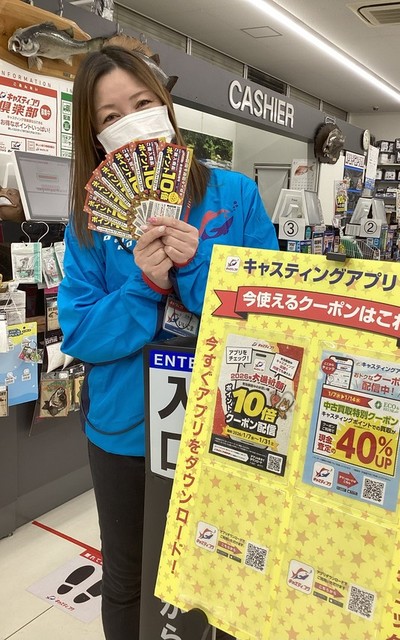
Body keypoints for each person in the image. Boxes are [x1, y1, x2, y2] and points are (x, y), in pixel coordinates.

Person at [57, 45, 279, 640]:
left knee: (217, 581)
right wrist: (145, 285)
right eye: (110, 117)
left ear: (166, 105)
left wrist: (195, 266)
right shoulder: (89, 222)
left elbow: (268, 314)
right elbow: (80, 332)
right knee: (127, 578)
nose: (130, 122)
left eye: (141, 104)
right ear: (94, 135)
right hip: (123, 429)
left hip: (223, 424)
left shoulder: (234, 196)